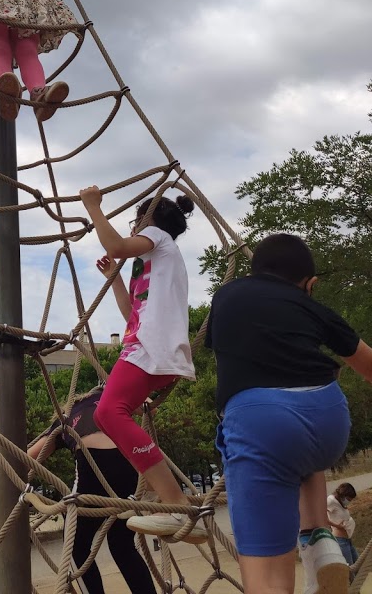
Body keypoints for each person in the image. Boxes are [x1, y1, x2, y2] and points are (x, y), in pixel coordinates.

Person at [205, 233, 372, 594]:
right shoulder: (312, 307)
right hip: (328, 416)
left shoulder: (226, 296)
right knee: (302, 449)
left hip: (262, 423)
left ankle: (309, 548)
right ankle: (319, 540)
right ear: (310, 285)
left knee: (267, 581)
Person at [79, 188, 206, 543]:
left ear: (146, 221)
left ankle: (176, 502)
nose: (133, 227)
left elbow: (117, 246)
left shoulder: (157, 237)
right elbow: (131, 314)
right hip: (151, 345)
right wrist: (115, 279)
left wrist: (93, 207)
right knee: (110, 415)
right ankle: (170, 501)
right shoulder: (154, 262)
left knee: (109, 413)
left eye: (135, 221)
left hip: (150, 347)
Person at [30, 390, 157, 594]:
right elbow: (150, 406)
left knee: (75, 546)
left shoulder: (64, 420)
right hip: (128, 461)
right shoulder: (111, 395)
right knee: (122, 545)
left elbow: (27, 457)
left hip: (94, 465)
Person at [327, 483, 358, 566]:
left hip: (348, 540)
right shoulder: (331, 500)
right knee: (349, 570)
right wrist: (337, 526)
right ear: (343, 495)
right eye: (348, 499)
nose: (349, 502)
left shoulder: (341, 503)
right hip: (340, 540)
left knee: (358, 565)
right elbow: (320, 515)